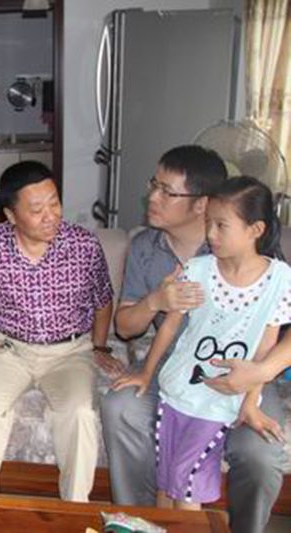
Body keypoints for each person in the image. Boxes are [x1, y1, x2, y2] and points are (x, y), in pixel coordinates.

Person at [100, 145, 286, 533]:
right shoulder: (147, 247)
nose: (152, 197)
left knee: (261, 452)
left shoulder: (248, 248)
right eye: (154, 185)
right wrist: (156, 300)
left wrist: (258, 374)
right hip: (174, 366)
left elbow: (274, 329)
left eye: (166, 191)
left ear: (202, 203)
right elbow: (126, 327)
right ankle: (140, 521)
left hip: (246, 370)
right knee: (120, 405)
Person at [0, 161, 119, 502]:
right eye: (37, 210)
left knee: (80, 414)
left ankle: (74, 509)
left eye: (54, 203)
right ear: (11, 215)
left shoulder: (84, 245)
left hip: (70, 352)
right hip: (10, 350)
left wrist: (99, 347)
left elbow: (103, 299)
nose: (50, 216)